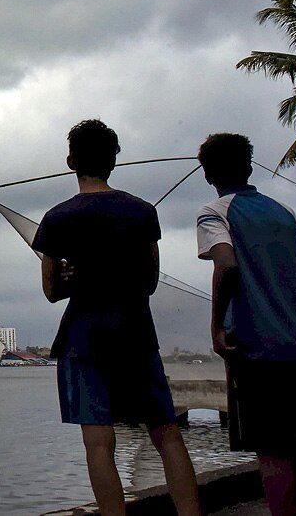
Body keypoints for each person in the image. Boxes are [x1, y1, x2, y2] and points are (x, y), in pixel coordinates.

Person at [32, 119, 200, 516]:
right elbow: (150, 282)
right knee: (167, 434)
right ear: (114, 161)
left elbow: (52, 290)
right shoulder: (143, 212)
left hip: (84, 337)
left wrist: (76, 279)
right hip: (136, 334)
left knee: (98, 442)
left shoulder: (56, 218)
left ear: (71, 160)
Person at [195, 133, 296, 516]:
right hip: (295, 347)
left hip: (253, 347)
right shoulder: (286, 213)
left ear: (207, 174)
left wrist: (217, 327)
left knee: (271, 453)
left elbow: (227, 266)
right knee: (291, 445)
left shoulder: (213, 213)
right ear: (250, 167)